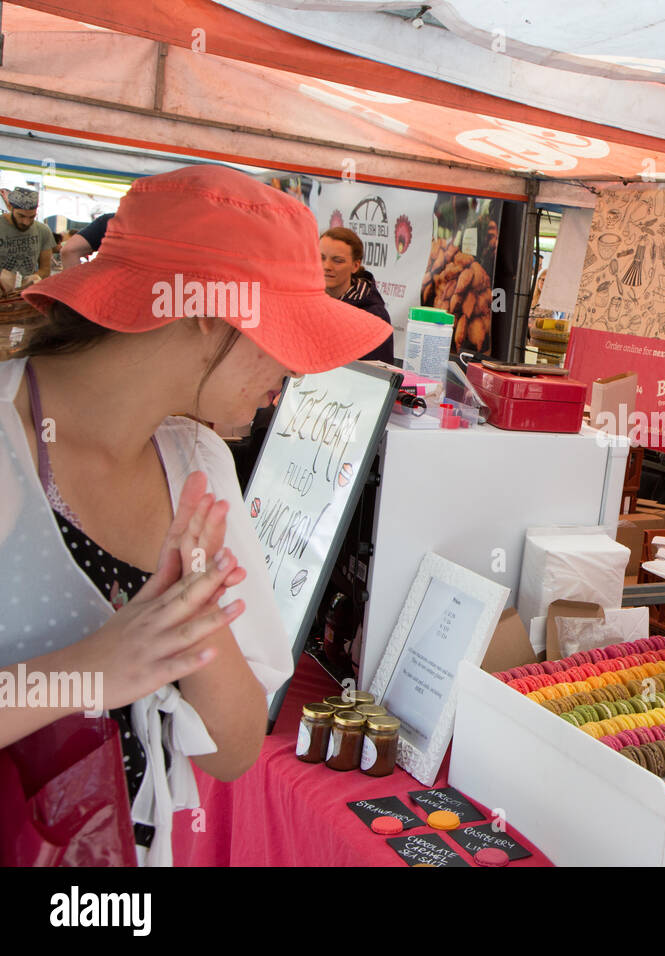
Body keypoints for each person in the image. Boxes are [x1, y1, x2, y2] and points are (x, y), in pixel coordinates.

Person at [0, 165, 392, 865]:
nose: (296, 374)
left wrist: (197, 620)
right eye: (287, 332)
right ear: (211, 312)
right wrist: (91, 669)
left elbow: (234, 752)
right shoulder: (10, 440)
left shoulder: (198, 466)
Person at [320, 226, 394, 365]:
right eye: (321, 258)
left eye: (338, 260)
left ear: (355, 265)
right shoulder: (304, 305)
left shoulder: (374, 316)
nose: (327, 266)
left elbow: (377, 377)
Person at [0, 187, 55, 284]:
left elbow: (45, 269)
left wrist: (37, 276)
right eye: (21, 216)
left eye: (32, 217)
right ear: (10, 207)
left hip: (24, 293)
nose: (26, 222)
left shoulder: (43, 231)